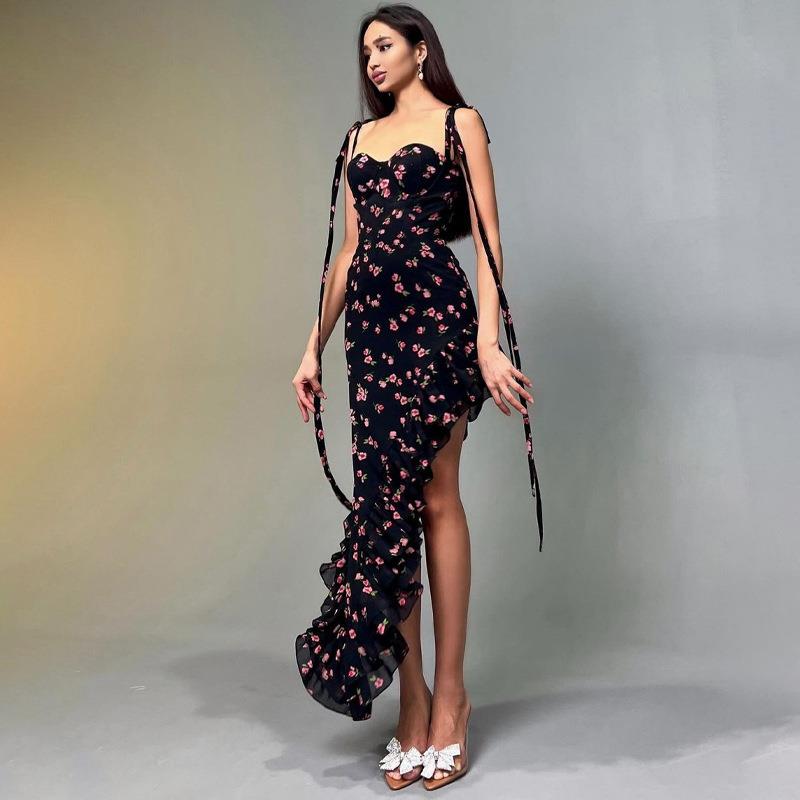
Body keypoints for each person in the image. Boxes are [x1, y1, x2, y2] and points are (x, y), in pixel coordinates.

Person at [291, 3, 543, 790]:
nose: (372, 60)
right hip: (371, 334)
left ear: (419, 49)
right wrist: (311, 346)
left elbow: (490, 242)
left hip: (435, 321)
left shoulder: (461, 124)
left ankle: (452, 698)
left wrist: (488, 343)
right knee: (385, 511)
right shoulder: (357, 140)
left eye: (384, 45)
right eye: (364, 51)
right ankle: (412, 702)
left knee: (436, 497)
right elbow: (347, 254)